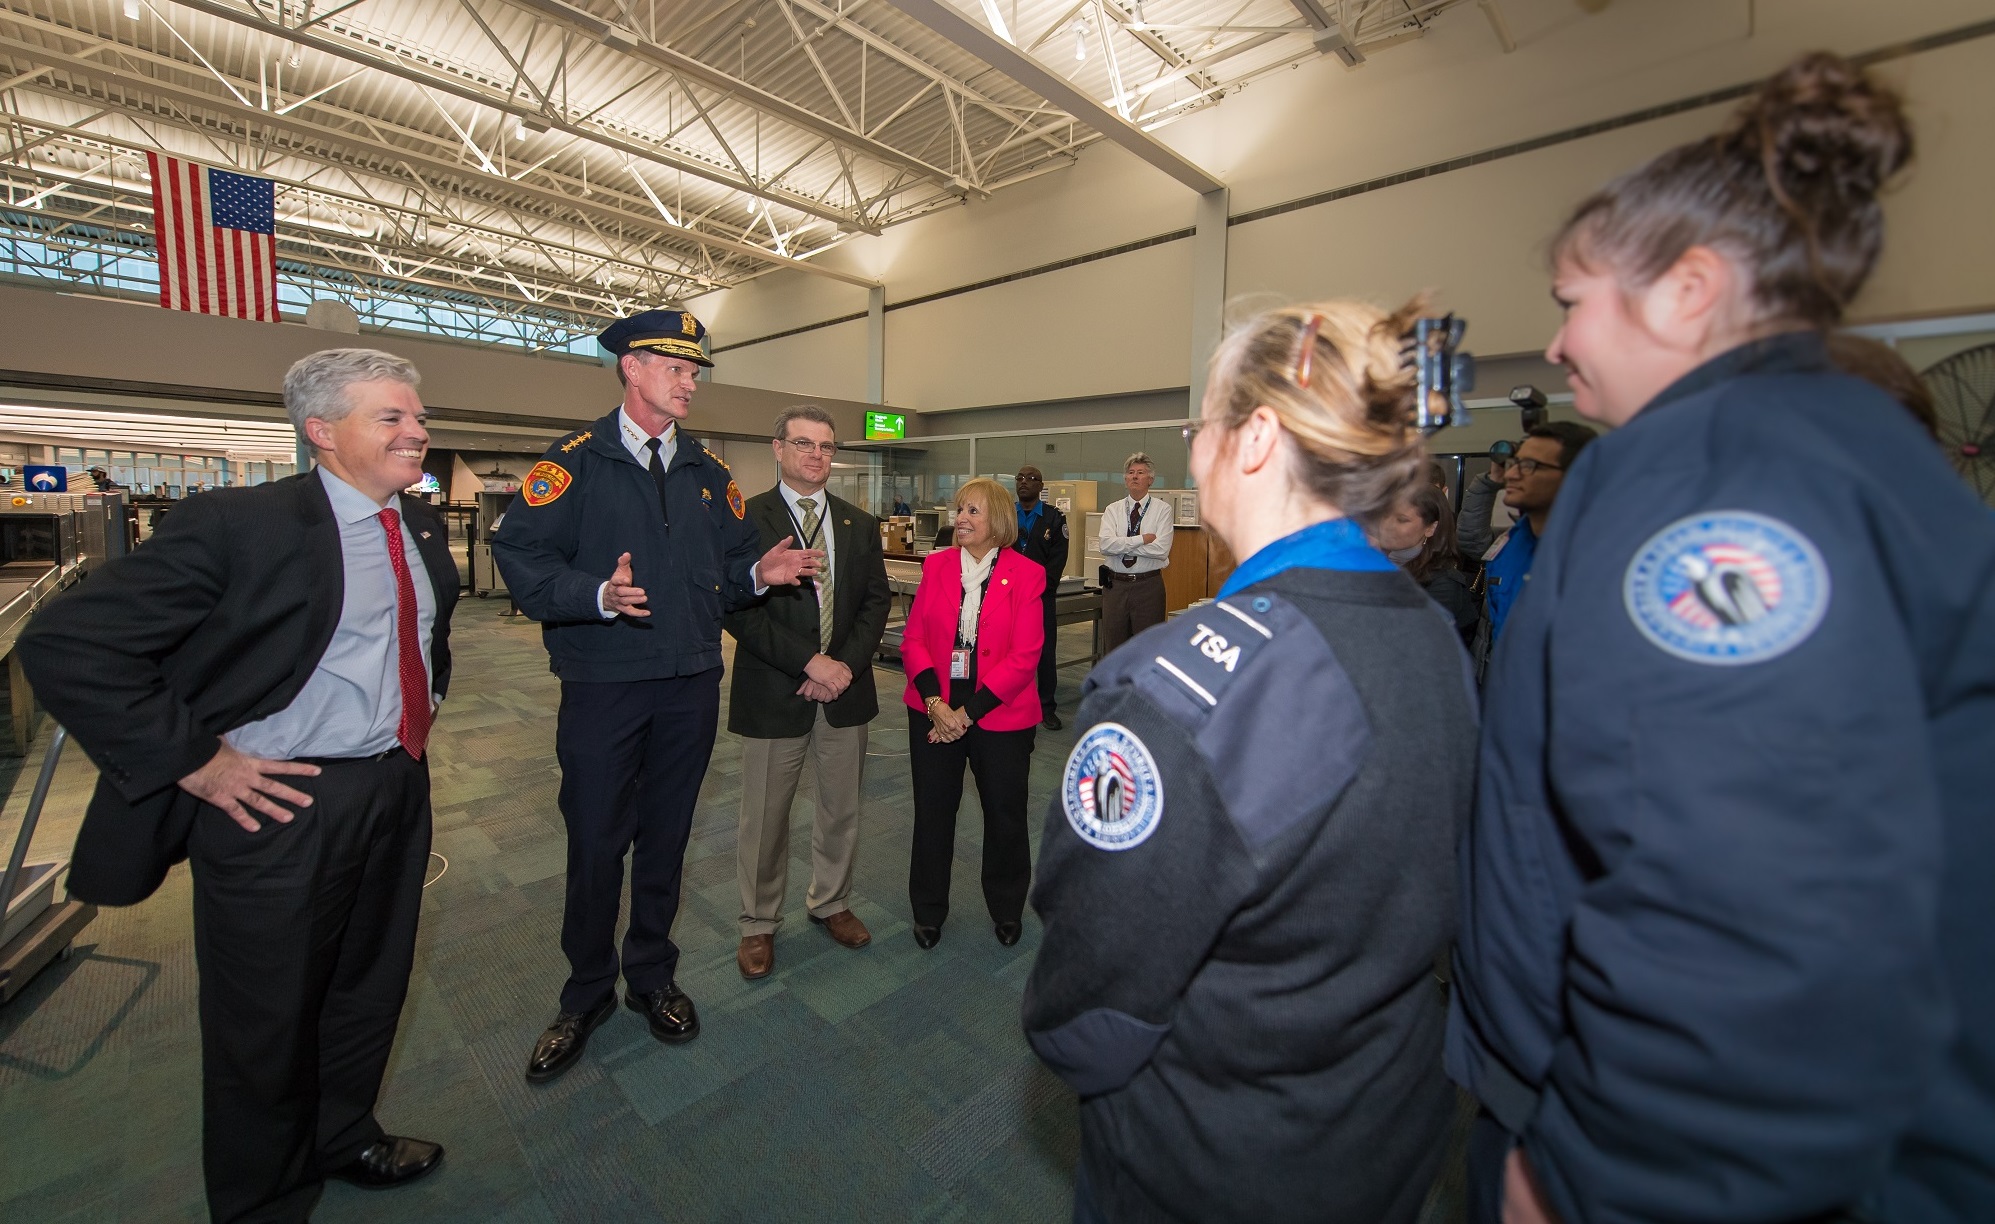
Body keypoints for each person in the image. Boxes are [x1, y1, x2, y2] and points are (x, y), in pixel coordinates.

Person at [1448, 53, 1995, 1224]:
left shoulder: (1708, 481)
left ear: (1687, 289)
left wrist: (1602, 1178)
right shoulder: (1851, 445)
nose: (1554, 346)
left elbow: (1745, 909)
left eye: (1570, 300)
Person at [1025, 301, 1478, 1224]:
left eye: (1202, 426)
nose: (1195, 452)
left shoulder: (1172, 692)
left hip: (1211, 1159)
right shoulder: (1430, 628)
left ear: (1258, 438)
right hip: (1381, 1120)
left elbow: (1088, 1007)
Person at [18, 349, 458, 1221]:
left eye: (417, 418)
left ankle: (343, 1135)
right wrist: (197, 761)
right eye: (392, 419)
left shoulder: (413, 527)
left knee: (366, 985)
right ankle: (263, 1202)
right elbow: (66, 644)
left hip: (393, 787)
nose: (418, 433)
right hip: (277, 804)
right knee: (265, 1020)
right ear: (322, 433)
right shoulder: (240, 522)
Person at [493, 309, 820, 1084]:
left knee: (667, 838)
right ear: (631, 369)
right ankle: (583, 993)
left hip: (688, 683)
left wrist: (757, 576)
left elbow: (730, 569)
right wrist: (595, 594)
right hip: (604, 684)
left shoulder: (709, 473)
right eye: (674, 367)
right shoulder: (574, 463)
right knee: (597, 841)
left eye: (694, 368)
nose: (690, 380)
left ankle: (649, 975)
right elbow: (520, 555)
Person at [725, 405, 892, 980]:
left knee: (840, 809)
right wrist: (811, 661)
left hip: (845, 691)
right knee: (765, 818)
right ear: (778, 449)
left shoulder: (857, 523)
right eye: (803, 444)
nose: (815, 455)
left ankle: (832, 901)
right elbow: (736, 609)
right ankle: (758, 922)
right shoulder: (745, 518)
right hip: (776, 690)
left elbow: (875, 603)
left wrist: (842, 666)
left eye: (825, 446)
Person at [902, 477, 1045, 950]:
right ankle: (928, 911)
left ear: (997, 521)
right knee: (933, 814)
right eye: (959, 509)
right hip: (934, 710)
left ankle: (1006, 908)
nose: (960, 518)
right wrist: (936, 704)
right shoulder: (937, 566)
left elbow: (1025, 657)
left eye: (973, 512)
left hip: (999, 717)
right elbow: (914, 640)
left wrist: (967, 713)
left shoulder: (1026, 574)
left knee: (1005, 815)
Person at [1480, 421, 1596, 646]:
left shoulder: (1598, 554)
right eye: (1515, 463)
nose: (1511, 474)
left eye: (1530, 465)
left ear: (1575, 475)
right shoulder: (1510, 545)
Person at [1374, 484, 1479, 646]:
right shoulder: (1379, 565)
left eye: (1401, 520)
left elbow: (1413, 642)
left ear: (1431, 528)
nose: (1388, 526)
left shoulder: (1443, 584)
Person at [1096, 453, 1173, 654]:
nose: (1134, 477)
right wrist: (1141, 539)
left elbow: (1161, 549)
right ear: (1125, 479)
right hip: (1116, 586)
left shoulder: (1162, 510)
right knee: (1113, 648)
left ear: (1151, 479)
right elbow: (1105, 545)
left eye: (1140, 473)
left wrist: (1121, 543)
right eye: (1130, 473)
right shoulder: (1112, 510)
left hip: (1148, 587)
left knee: (1148, 648)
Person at [1012, 464, 1070, 729]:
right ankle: (1007, 700)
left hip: (1040, 597)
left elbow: (1057, 561)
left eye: (1031, 478)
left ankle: (1046, 707)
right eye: (1020, 478)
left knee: (1045, 653)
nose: (1024, 482)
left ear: (1041, 486)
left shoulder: (1054, 518)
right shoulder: (1005, 516)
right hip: (1007, 596)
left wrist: (1036, 589)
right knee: (1006, 650)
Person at [1455, 442, 1515, 563]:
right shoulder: (1521, 532)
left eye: (1528, 466)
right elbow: (1475, 543)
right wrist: (1492, 480)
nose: (1513, 474)